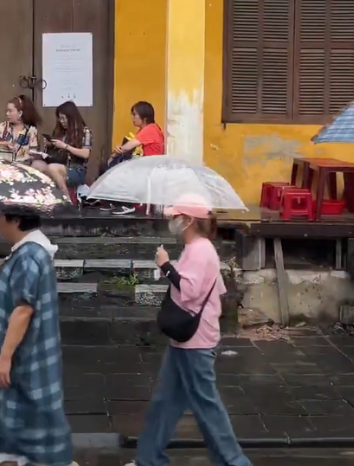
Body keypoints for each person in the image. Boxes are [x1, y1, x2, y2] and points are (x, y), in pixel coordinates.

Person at [125, 194, 250, 466]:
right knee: (166, 402)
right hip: (186, 338)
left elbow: (190, 291)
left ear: (189, 220)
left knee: (206, 406)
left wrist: (165, 265)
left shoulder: (200, 250)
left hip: (196, 340)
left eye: (176, 217)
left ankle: (234, 462)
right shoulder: (197, 249)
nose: (172, 221)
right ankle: (148, 458)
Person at [0, 211, 76, 466]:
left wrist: (5, 357)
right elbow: (18, 294)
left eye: (1, 216)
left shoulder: (29, 256)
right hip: (26, 357)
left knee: (31, 428)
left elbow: (23, 309)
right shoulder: (26, 253)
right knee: (24, 428)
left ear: (16, 220)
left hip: (24, 357)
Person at [101, 101, 165, 215]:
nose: (133, 118)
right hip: (146, 165)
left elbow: (128, 146)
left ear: (144, 118)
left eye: (135, 115)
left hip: (150, 167)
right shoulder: (148, 129)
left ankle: (127, 204)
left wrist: (117, 152)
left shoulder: (150, 129)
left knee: (117, 170)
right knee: (112, 167)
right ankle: (113, 201)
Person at [33, 100, 92, 194]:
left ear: (71, 117)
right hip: (59, 163)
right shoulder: (61, 131)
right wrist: (51, 145)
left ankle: (66, 199)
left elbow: (86, 154)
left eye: (64, 118)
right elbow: (56, 152)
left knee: (52, 168)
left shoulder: (85, 131)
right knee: (36, 165)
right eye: (60, 119)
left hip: (76, 169)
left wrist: (65, 146)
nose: (62, 121)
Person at [0, 95, 41, 164]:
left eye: (10, 111)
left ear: (20, 113)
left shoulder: (31, 130)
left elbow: (33, 153)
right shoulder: (3, 126)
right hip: (3, 164)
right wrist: (5, 144)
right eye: (7, 111)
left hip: (23, 165)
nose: (7, 114)